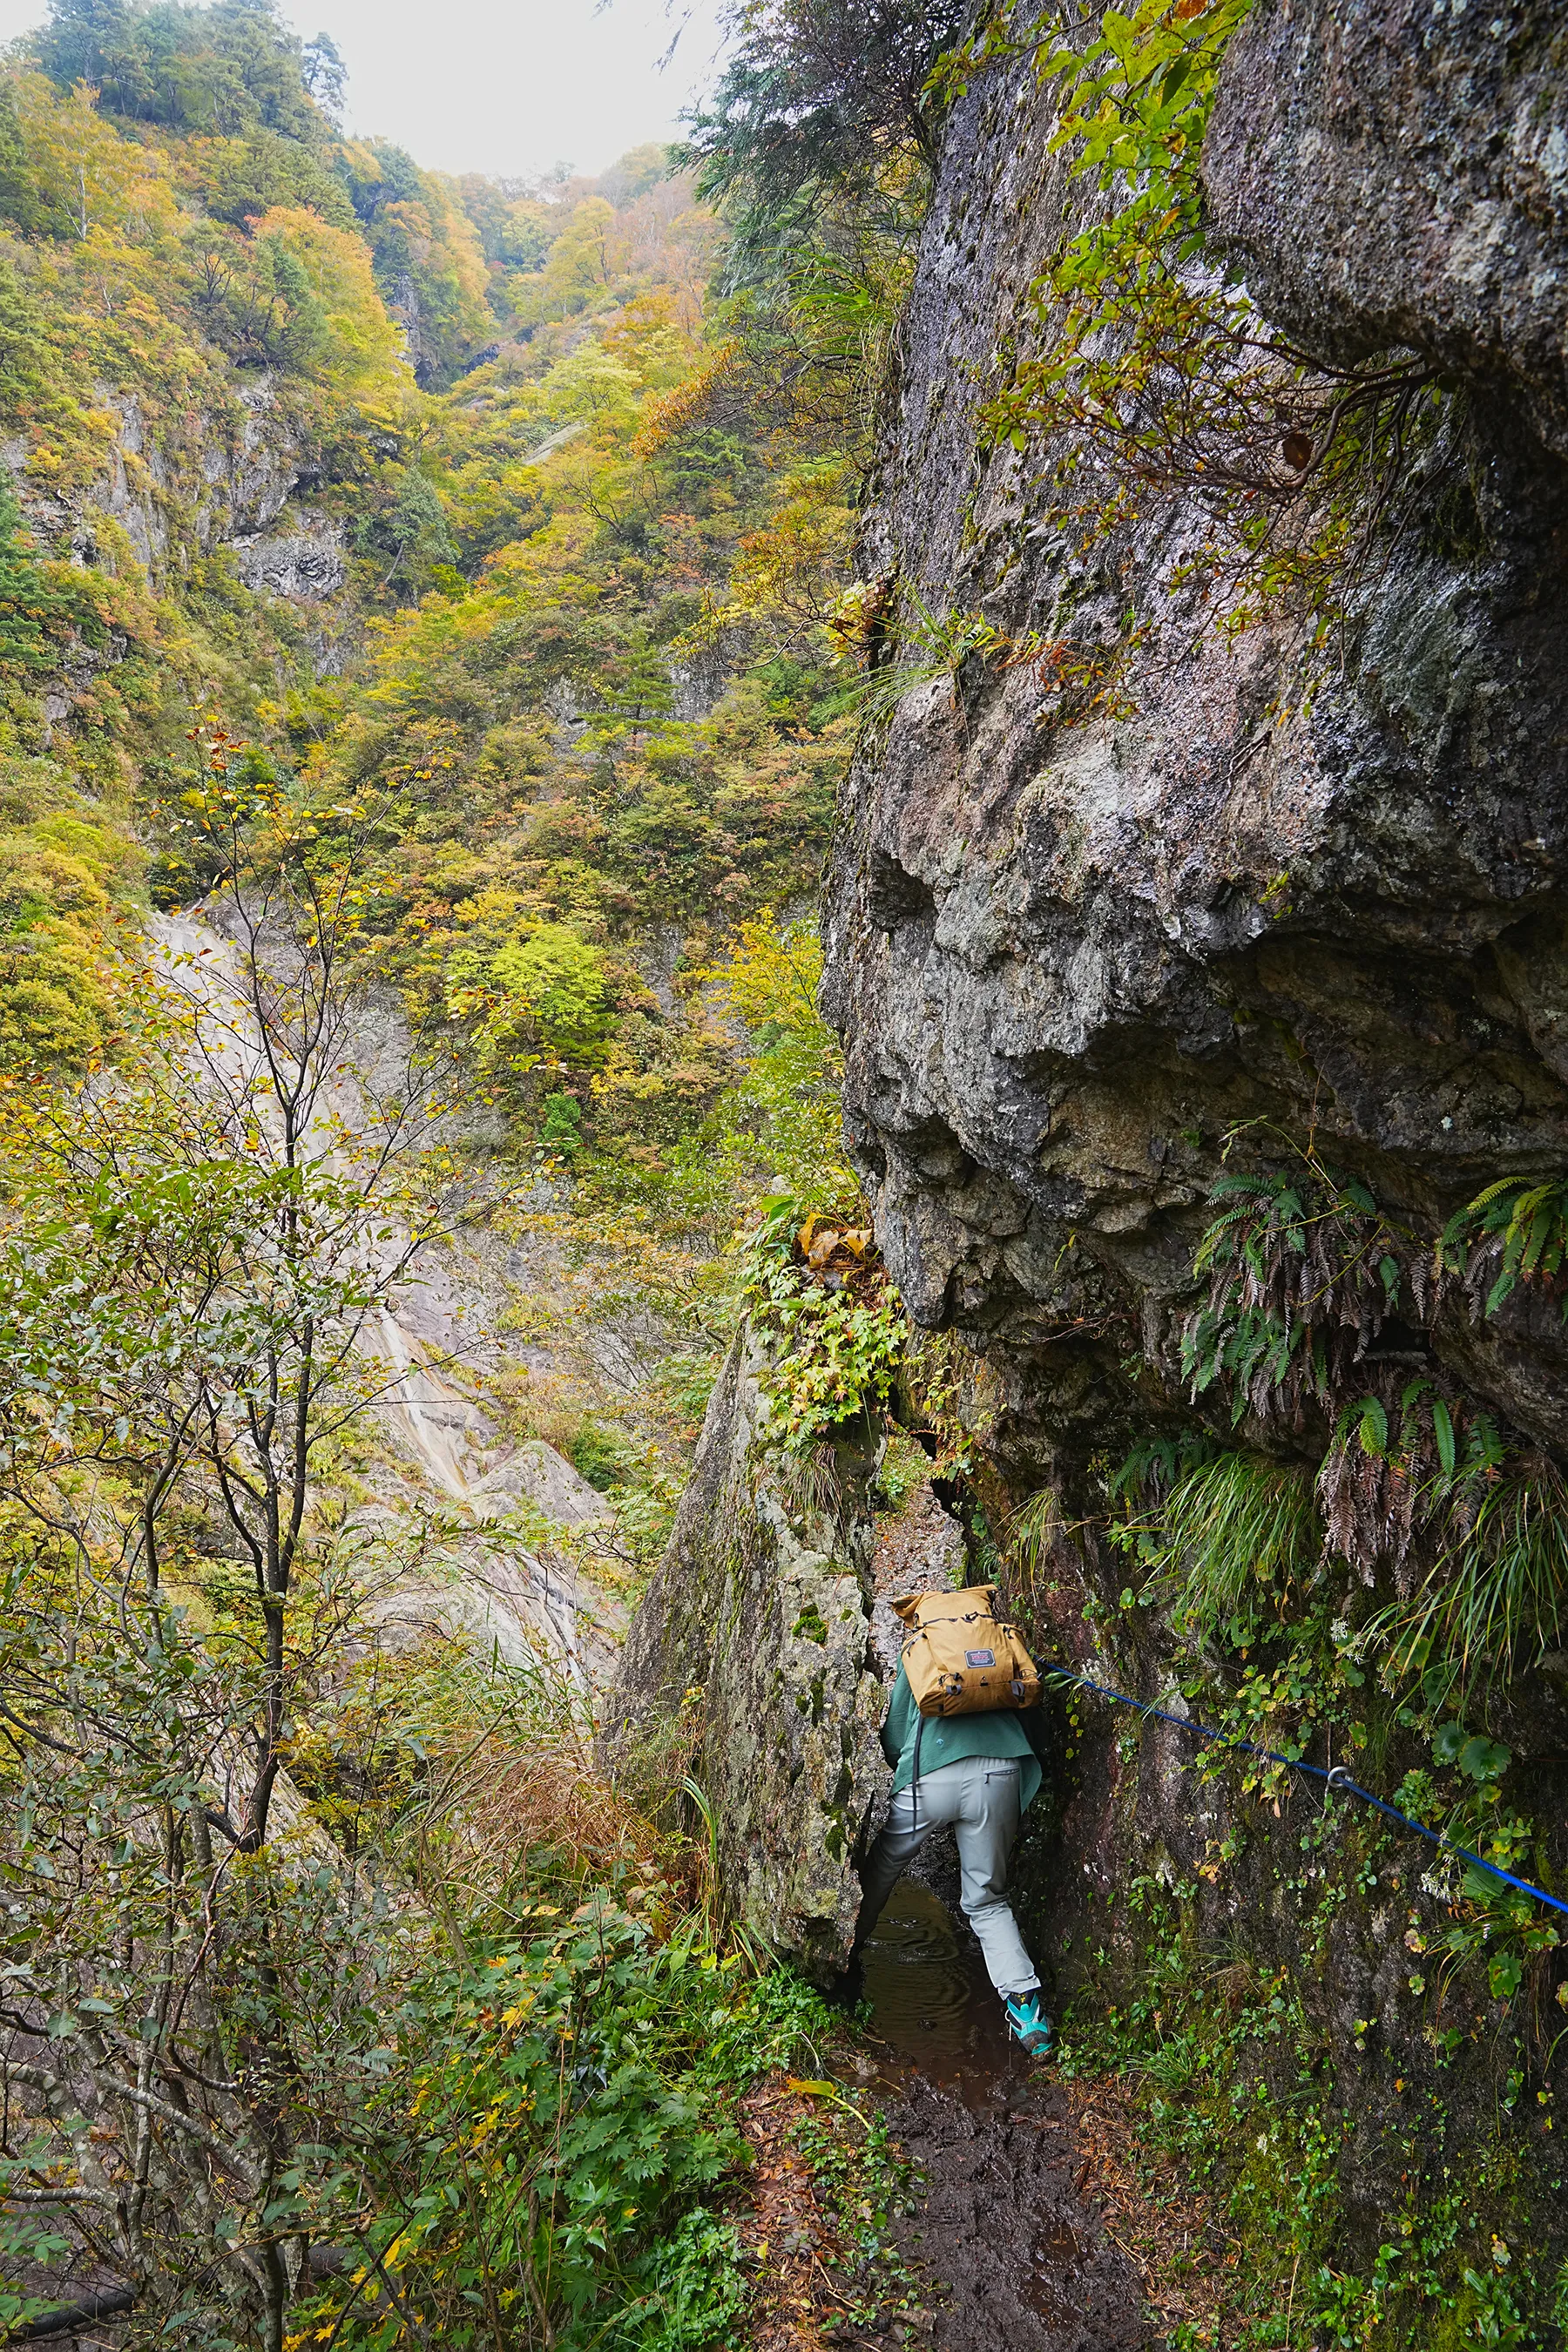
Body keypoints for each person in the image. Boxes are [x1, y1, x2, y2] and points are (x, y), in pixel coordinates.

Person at [852, 1648, 1052, 2055]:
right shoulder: (1001, 1651)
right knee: (987, 1900)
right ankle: (1029, 2018)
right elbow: (1035, 1723)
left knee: (883, 1868)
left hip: (931, 1775)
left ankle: (844, 1954)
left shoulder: (920, 1650)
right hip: (1002, 1772)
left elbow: (894, 1740)